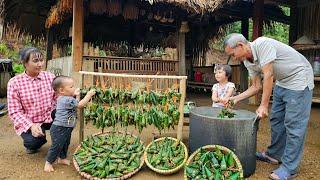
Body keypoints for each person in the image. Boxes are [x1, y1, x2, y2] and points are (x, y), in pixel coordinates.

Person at [222, 33, 314, 180]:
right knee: (276, 119)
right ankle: (275, 154)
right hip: (283, 81)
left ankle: (290, 168)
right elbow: (256, 86)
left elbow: (269, 74)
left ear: (240, 45)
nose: (234, 58)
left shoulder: (263, 44)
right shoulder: (247, 61)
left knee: (293, 125)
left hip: (299, 79)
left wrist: (263, 105)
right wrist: (234, 99)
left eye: (233, 54)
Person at [7, 47, 56, 154]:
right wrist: (31, 126)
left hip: (49, 116)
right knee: (33, 143)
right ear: (25, 63)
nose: (40, 64)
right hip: (31, 120)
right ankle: (36, 138)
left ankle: (59, 140)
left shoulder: (50, 77)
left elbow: (58, 97)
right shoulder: (14, 83)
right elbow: (14, 112)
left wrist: (71, 94)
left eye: (41, 60)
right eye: (35, 61)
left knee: (66, 117)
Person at [44, 76, 96, 172]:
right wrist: (88, 95)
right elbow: (80, 105)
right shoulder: (66, 100)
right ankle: (48, 162)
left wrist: (76, 95)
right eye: (71, 87)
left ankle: (61, 158)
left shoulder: (65, 98)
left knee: (65, 143)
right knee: (57, 145)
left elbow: (75, 102)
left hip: (66, 127)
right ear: (62, 90)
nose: (74, 88)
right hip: (60, 128)